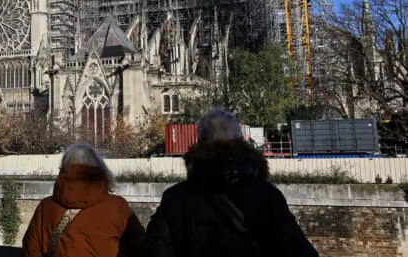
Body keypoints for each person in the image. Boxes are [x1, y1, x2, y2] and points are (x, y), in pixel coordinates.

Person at [145, 109, 318, 257]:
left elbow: (155, 249)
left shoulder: (175, 198)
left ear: (199, 142)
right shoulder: (266, 195)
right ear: (241, 142)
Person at [22, 143, 145, 257]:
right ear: (100, 170)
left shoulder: (46, 207)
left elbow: (31, 249)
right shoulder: (117, 207)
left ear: (64, 169)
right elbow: (140, 247)